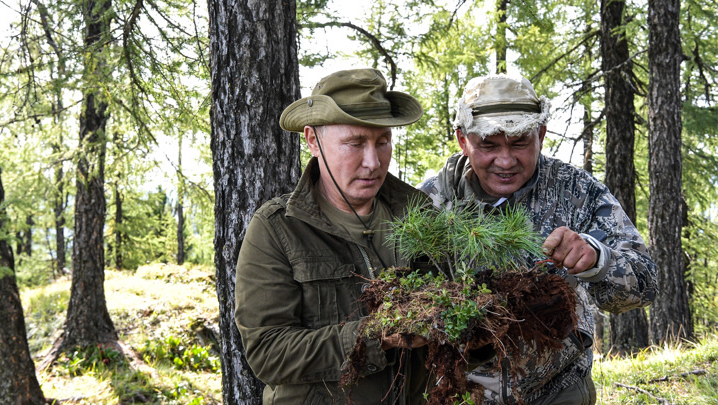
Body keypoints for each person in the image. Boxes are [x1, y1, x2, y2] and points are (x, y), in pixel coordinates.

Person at [419, 73, 658, 405]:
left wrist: (596, 260)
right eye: (488, 145)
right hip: (461, 393)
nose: (505, 161)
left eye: (519, 143)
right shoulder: (431, 203)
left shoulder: (576, 191)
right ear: (463, 140)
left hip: (557, 390)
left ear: (541, 135)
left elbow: (645, 283)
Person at [234, 68, 431, 405]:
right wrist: (373, 338)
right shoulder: (278, 228)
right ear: (313, 140)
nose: (373, 162)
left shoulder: (418, 213)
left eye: (383, 141)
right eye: (355, 143)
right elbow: (268, 352)